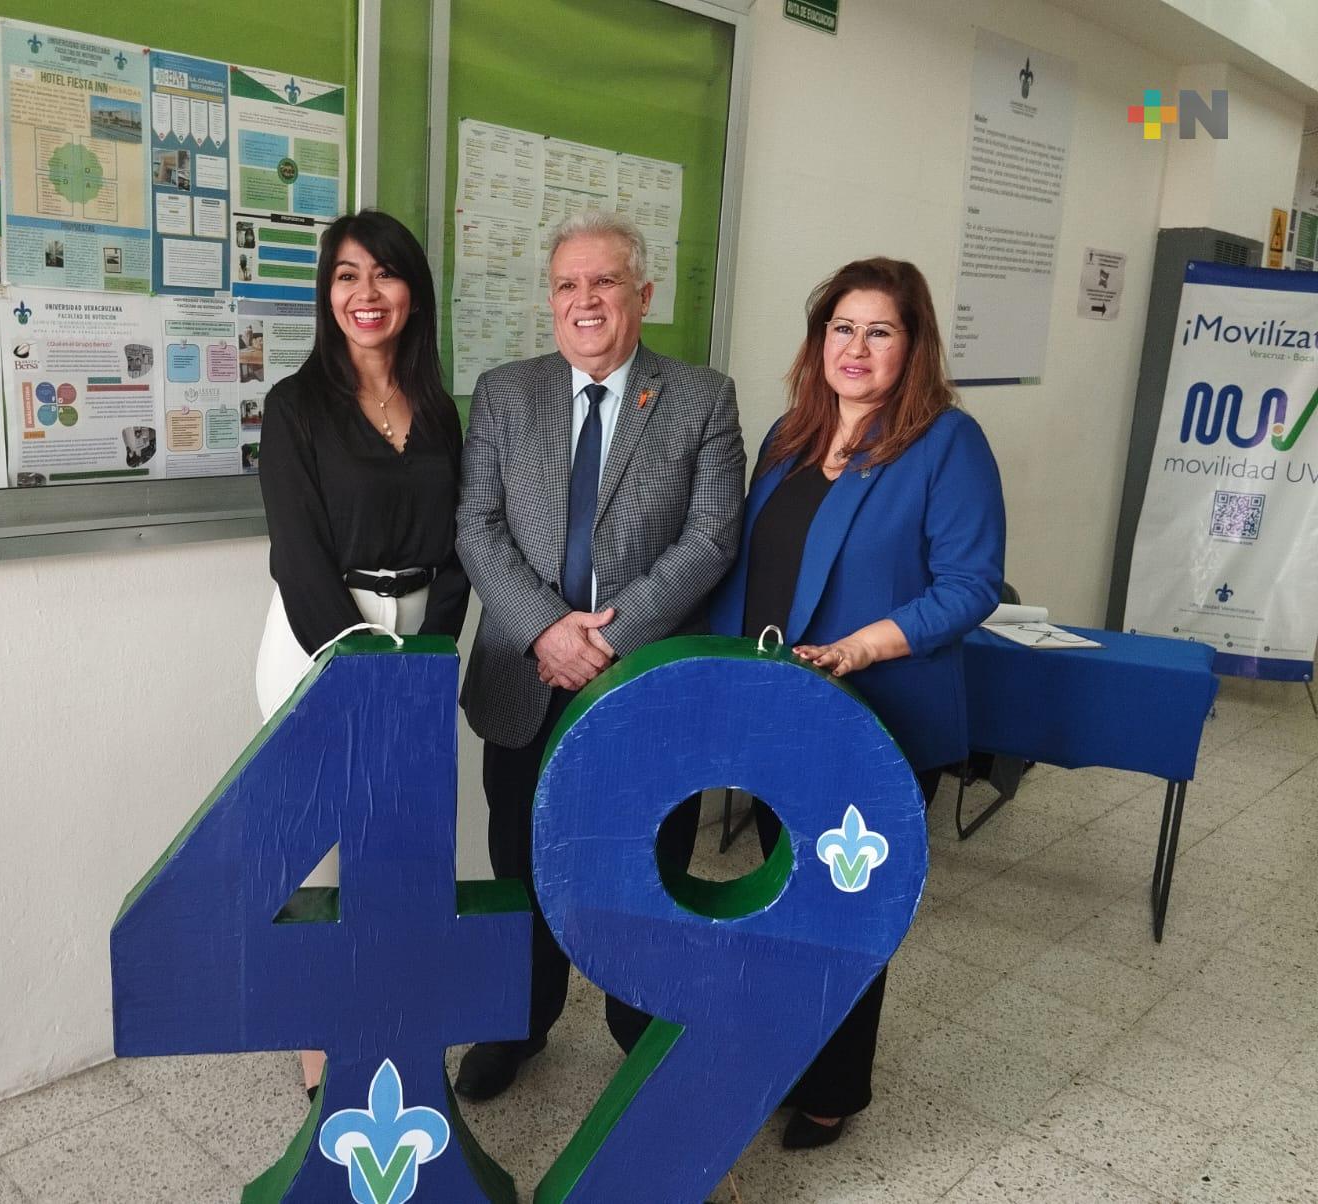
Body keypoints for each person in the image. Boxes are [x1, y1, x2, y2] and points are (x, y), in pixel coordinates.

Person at [707, 256, 1005, 1147]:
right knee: (774, 895)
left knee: (842, 905)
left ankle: (832, 1087)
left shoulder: (946, 443)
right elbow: (754, 569)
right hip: (772, 707)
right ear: (819, 340)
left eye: (880, 330)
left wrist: (857, 647)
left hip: (872, 718)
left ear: (912, 346)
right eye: (843, 327)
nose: (858, 347)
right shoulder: (790, 434)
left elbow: (971, 583)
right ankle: (778, 1052)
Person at [454, 210, 745, 1102]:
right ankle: (520, 1022)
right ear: (551, 300)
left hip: (637, 682)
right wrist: (548, 630)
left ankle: (638, 1026)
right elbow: (477, 525)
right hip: (522, 678)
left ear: (643, 294)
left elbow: (710, 540)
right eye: (567, 285)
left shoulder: (701, 397)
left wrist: (608, 639)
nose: (585, 300)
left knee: (640, 862)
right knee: (520, 861)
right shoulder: (505, 392)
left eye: (605, 281)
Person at [256, 209, 470, 1097]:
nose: (365, 294)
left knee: (398, 845)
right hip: (319, 636)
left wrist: (425, 660)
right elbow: (297, 553)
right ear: (327, 293)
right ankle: (320, 1061)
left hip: (418, 634)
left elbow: (465, 541)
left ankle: (388, 1024)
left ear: (412, 291)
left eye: (383, 274)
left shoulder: (439, 407)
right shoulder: (295, 406)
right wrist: (360, 666)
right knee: (321, 852)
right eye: (346, 276)